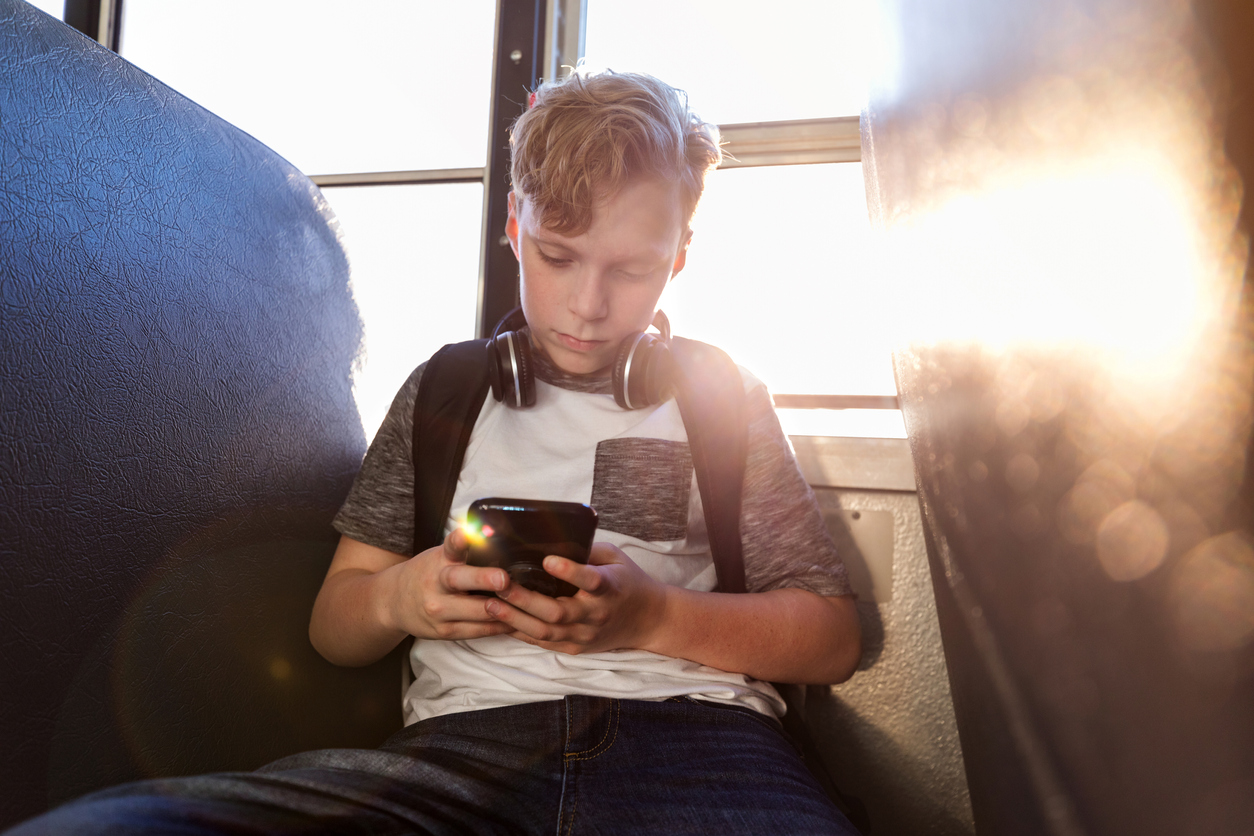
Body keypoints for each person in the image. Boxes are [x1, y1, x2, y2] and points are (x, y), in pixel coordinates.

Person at [8, 69, 862, 836]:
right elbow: (335, 626)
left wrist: (652, 618)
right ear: (514, 227)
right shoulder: (446, 391)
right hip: (458, 760)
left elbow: (829, 639)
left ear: (677, 260)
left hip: (707, 754)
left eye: (631, 271)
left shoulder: (723, 395)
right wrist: (402, 599)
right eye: (558, 257)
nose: (589, 304)